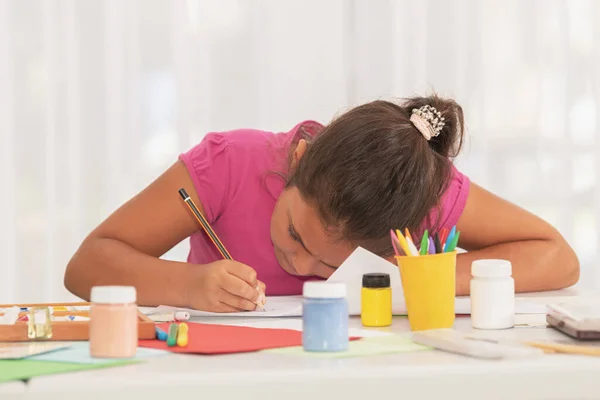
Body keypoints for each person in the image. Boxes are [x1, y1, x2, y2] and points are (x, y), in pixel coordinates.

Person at [64, 94, 580, 312]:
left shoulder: (413, 192)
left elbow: (556, 255)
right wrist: (188, 285)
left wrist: (428, 277)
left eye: (333, 264)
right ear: (299, 161)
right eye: (294, 233)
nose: (301, 264)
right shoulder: (229, 164)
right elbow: (86, 265)